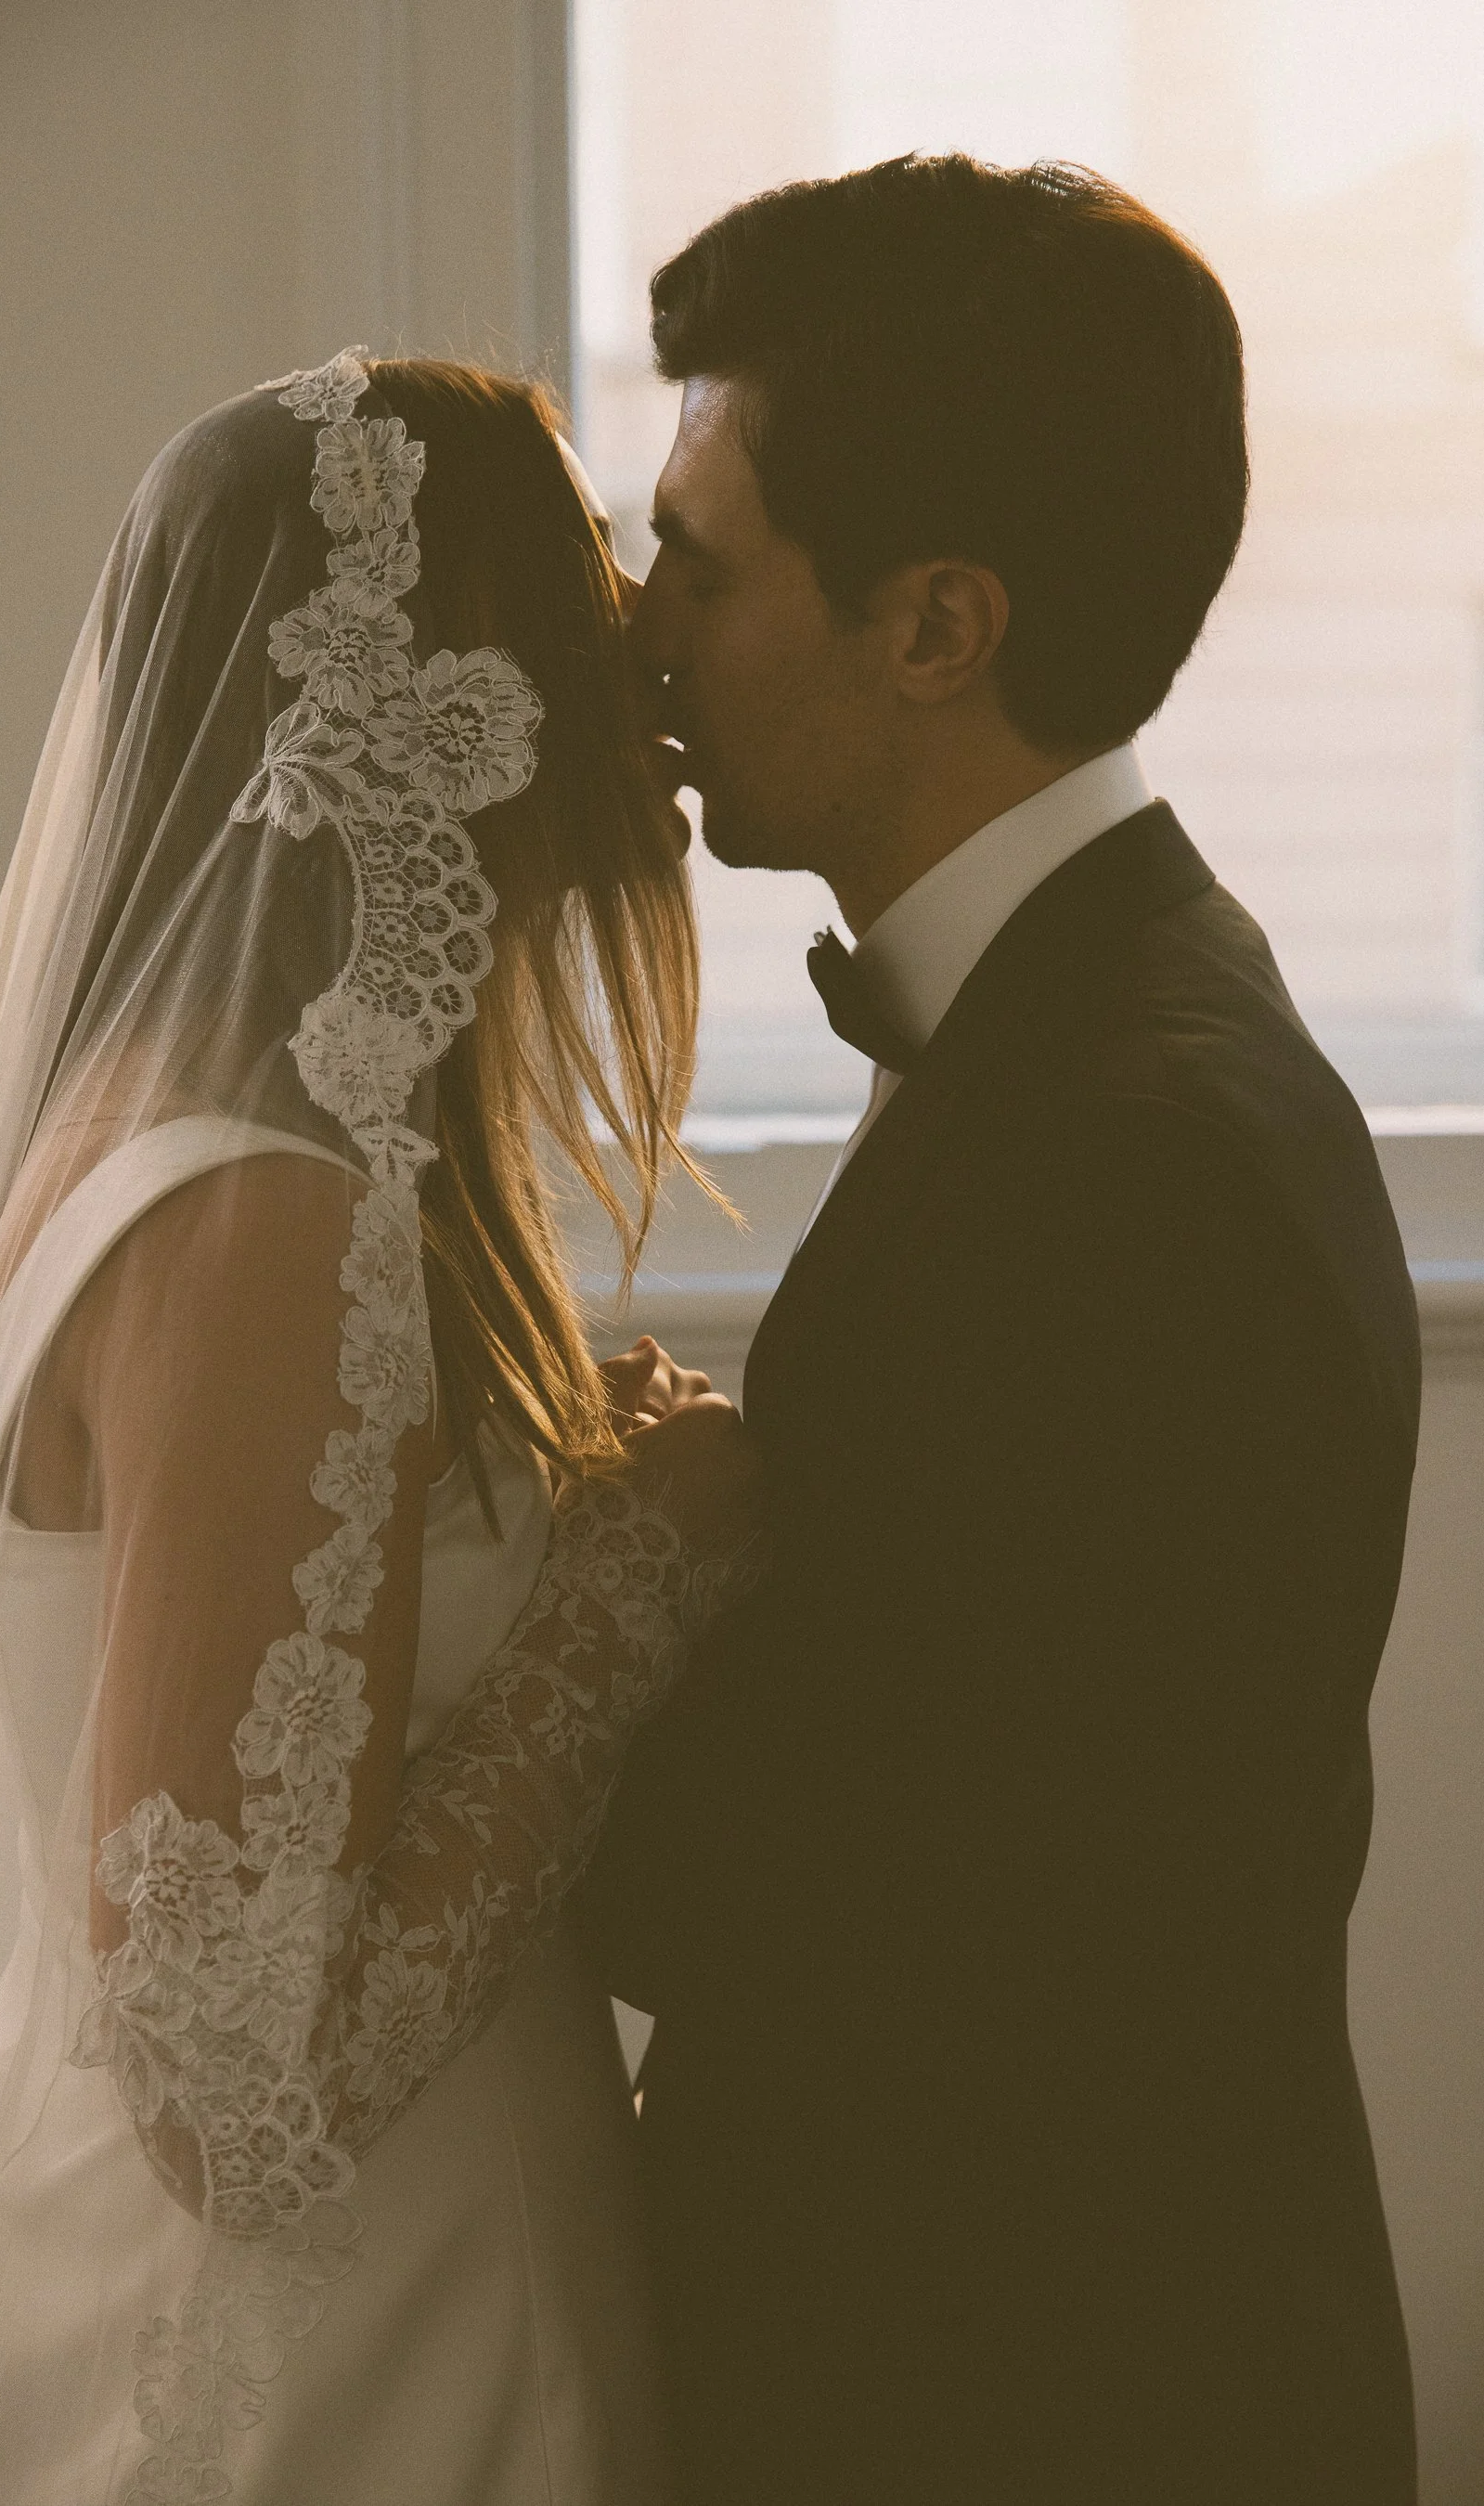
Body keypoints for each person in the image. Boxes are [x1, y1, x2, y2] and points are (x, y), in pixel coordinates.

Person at [0, 351, 756, 2503]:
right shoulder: (265, 1213)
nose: (640, 642)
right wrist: (634, 1582)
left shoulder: (160, 1138)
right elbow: (237, 2093)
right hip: (345, 2379)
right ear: (449, 690)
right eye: (592, 573)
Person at [582, 154, 1422, 2504]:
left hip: (1035, 2398)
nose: (638, 631)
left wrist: (570, 1597)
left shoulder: (1128, 1155)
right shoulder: (1109, 1021)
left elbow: (840, 1902)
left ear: (936, 624)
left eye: (699, 559)